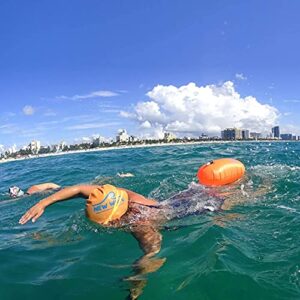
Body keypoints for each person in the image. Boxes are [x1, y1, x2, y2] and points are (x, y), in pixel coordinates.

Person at [18, 180, 264, 299]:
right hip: (182, 197)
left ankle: (264, 189)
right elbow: (81, 189)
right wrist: (44, 201)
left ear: (114, 221)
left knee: (243, 198)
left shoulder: (140, 226)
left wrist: (136, 284)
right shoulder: (124, 195)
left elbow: (153, 253)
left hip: (197, 209)